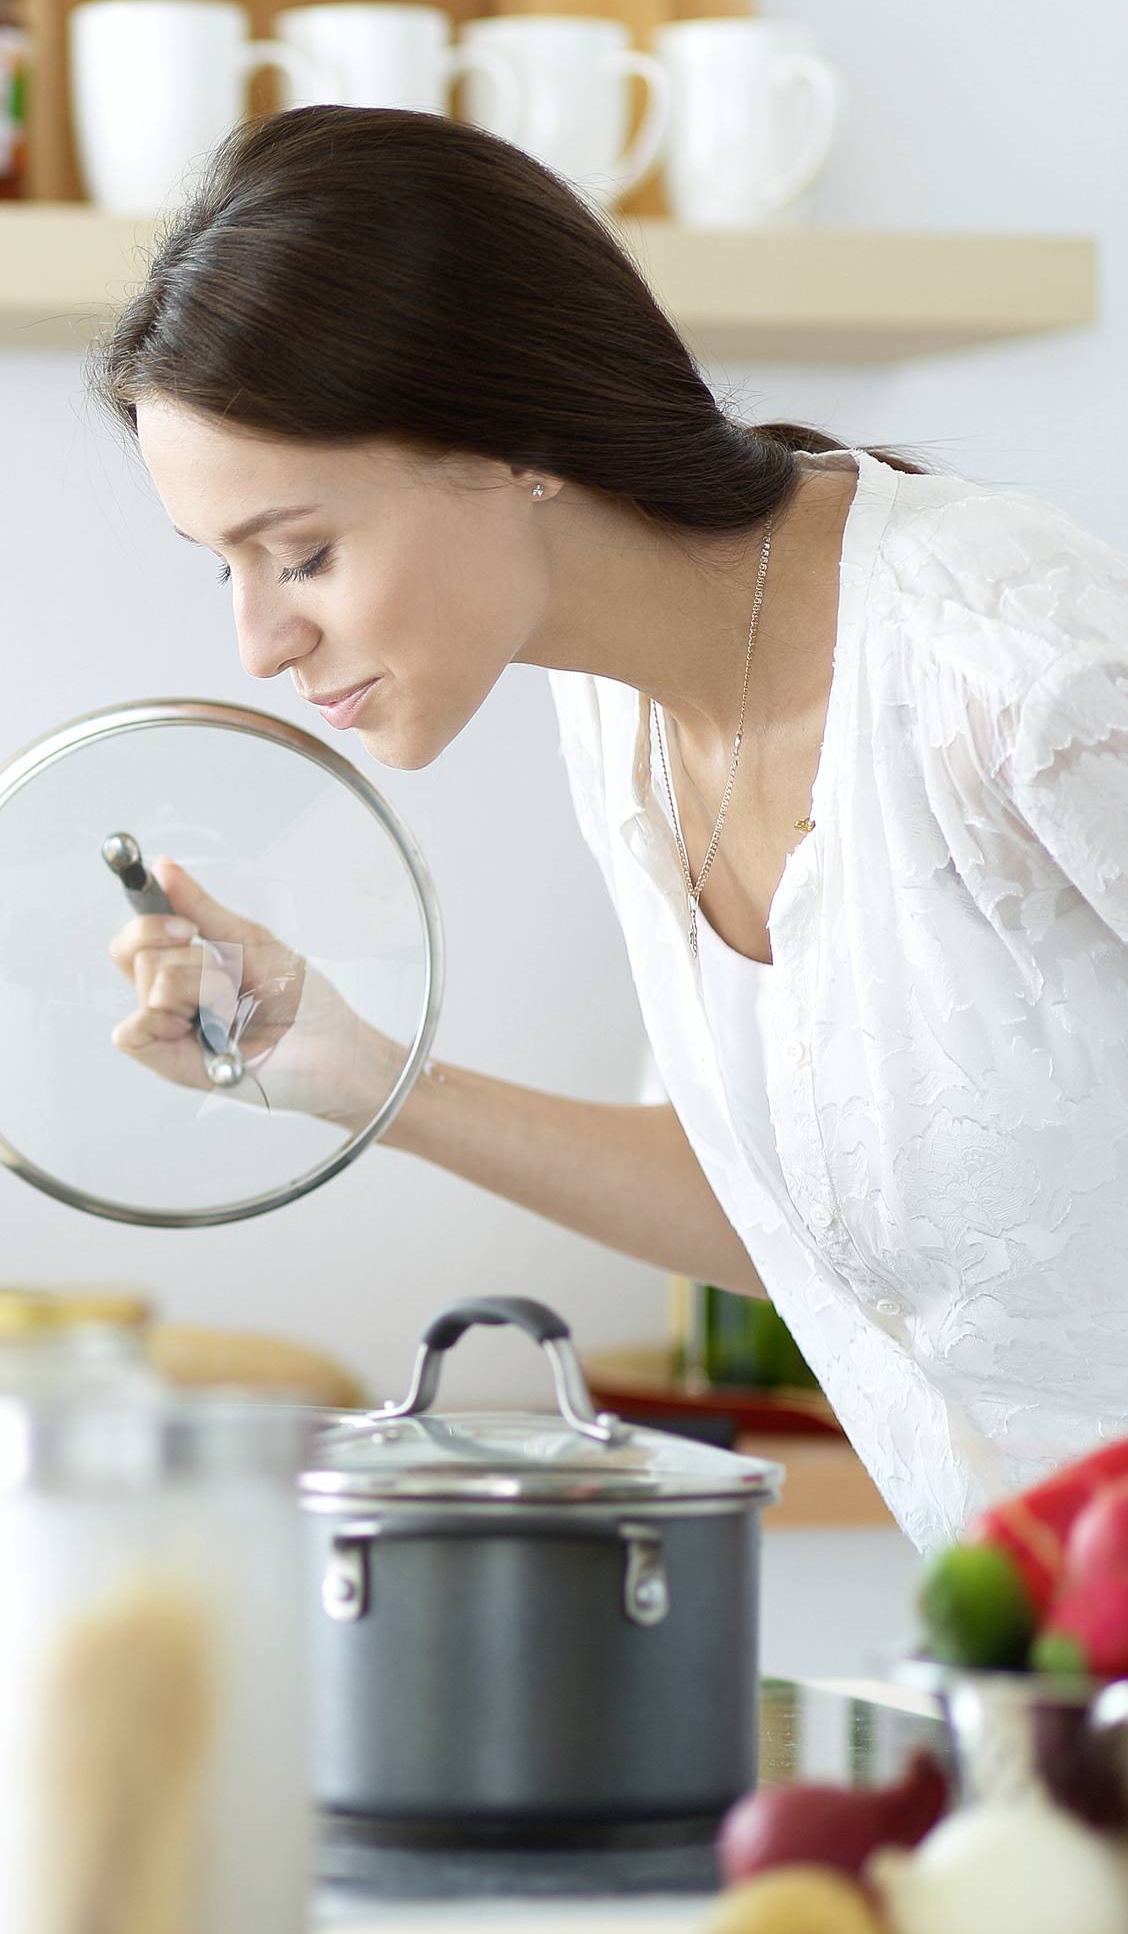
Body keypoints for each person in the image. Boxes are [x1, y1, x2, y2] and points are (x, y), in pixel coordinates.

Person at [101, 106, 1128, 1551]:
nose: (260, 640)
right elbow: (821, 1224)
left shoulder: (1009, 657)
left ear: (513, 436)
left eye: (304, 554)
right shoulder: (618, 718)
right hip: (1046, 1673)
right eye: (226, 570)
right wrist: (361, 1077)